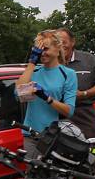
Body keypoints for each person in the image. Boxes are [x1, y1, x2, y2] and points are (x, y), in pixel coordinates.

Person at [16, 29, 77, 157]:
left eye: (46, 49)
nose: (42, 53)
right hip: (31, 134)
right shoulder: (34, 71)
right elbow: (17, 93)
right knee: (32, 175)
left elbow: (69, 111)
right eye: (38, 50)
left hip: (52, 136)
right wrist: (32, 61)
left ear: (57, 48)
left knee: (51, 175)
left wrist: (47, 98)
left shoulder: (68, 74)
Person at [58, 28, 95, 138]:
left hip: (84, 118)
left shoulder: (88, 59)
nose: (61, 45)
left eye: (64, 42)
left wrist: (83, 94)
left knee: (88, 152)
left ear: (72, 42)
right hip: (58, 118)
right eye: (57, 42)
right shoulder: (51, 62)